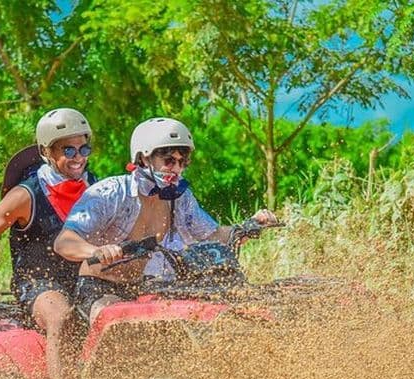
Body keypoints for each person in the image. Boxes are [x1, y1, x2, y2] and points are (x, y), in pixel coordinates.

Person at [53, 117, 277, 323]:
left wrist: (247, 227)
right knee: (120, 322)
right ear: (143, 157)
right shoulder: (109, 192)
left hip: (144, 289)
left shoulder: (180, 198)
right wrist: (96, 251)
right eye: (169, 161)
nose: (177, 169)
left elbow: (212, 236)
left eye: (182, 162)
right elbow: (64, 242)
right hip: (99, 290)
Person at [0, 108, 95, 379]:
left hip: (86, 281)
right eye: (68, 149)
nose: (78, 156)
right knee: (61, 316)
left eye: (84, 147)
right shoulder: (27, 195)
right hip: (39, 285)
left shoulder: (96, 187)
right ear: (47, 151)